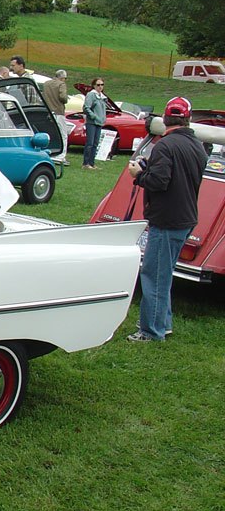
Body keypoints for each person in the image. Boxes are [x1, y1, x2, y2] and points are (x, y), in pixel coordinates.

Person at [126, 97, 208, 342]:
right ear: (188, 119)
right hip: (185, 216)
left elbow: (159, 182)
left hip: (167, 218)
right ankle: (163, 322)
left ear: (166, 119)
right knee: (165, 272)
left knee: (154, 274)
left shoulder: (165, 145)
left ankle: (151, 330)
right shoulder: (197, 146)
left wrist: (139, 174)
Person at [42, 69, 70, 164]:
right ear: (62, 78)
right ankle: (61, 156)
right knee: (63, 134)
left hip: (48, 111)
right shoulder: (61, 84)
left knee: (50, 134)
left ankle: (49, 153)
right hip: (58, 111)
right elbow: (63, 97)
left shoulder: (46, 84)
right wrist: (66, 99)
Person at [82, 78, 107, 169]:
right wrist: (93, 116)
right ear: (94, 86)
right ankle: (86, 163)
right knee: (90, 143)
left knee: (95, 143)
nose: (100, 87)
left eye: (102, 84)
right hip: (91, 122)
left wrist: (103, 118)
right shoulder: (91, 95)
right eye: (98, 85)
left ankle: (92, 163)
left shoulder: (102, 97)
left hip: (99, 123)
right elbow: (86, 108)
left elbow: (103, 109)